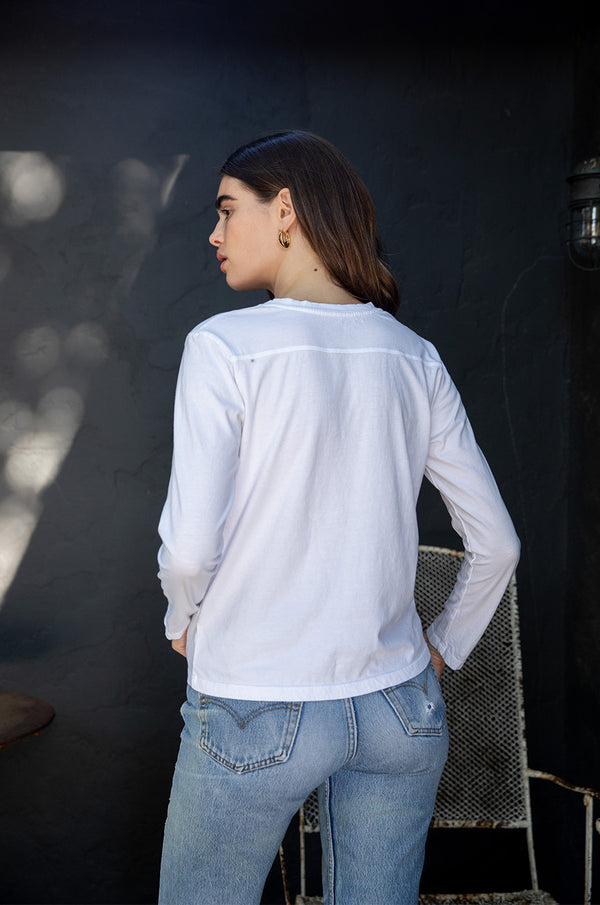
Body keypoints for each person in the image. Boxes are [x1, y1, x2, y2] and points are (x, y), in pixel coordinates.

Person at [156, 130, 520, 905]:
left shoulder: (224, 347)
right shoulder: (414, 355)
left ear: (284, 209)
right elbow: (496, 543)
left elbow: (188, 549)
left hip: (255, 699)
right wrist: (441, 651)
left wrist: (183, 617)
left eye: (227, 210)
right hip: (399, 706)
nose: (214, 234)